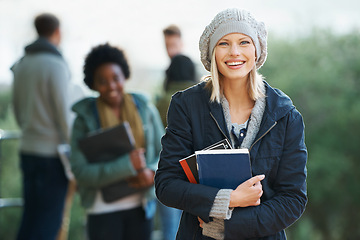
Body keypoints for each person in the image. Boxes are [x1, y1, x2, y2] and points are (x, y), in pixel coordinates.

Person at [155, 8, 307, 240]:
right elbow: (166, 185)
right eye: (224, 43)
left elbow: (293, 198)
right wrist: (228, 199)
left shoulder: (285, 115)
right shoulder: (186, 106)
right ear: (212, 52)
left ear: (257, 50)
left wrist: (229, 226)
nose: (234, 52)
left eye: (244, 42)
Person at [70, 43, 164, 240]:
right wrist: (128, 165)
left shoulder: (145, 109)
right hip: (101, 209)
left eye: (115, 78)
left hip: (141, 206)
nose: (111, 86)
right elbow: (80, 173)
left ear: (125, 76)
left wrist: (151, 172)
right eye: (102, 81)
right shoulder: (83, 119)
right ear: (93, 84)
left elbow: (165, 153)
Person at [11, 13, 71, 240]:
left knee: (30, 218)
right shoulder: (56, 64)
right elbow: (63, 115)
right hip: (51, 155)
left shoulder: (21, 64)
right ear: (57, 32)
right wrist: (73, 150)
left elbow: (16, 111)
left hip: (27, 149)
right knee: (48, 222)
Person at [156, 24, 197, 126]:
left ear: (181, 44)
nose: (170, 51)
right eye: (167, 46)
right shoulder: (167, 72)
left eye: (173, 45)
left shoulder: (192, 68)